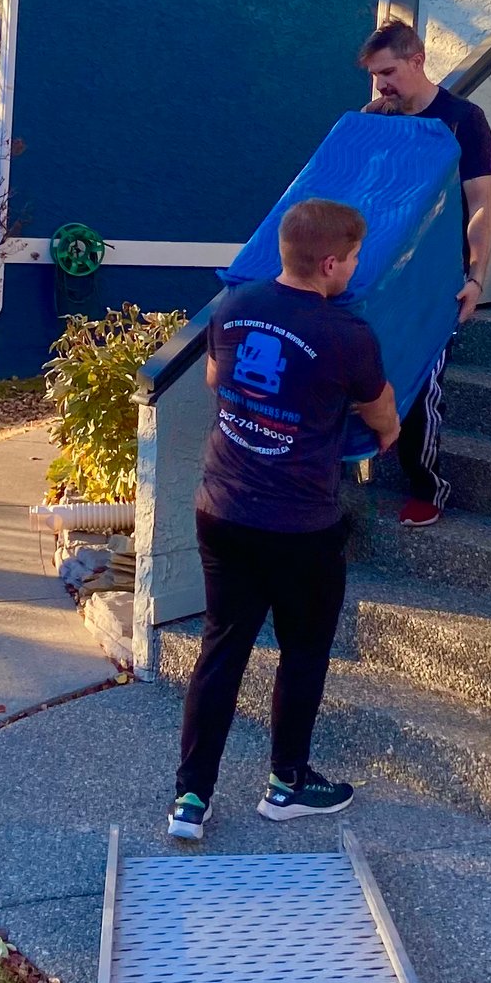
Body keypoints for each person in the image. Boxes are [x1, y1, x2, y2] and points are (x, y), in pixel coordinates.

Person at [167, 197, 400, 843]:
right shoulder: (347, 334)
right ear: (330, 262)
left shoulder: (234, 305)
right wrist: (383, 430)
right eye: (352, 258)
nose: (354, 268)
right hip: (299, 526)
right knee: (302, 652)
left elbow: (219, 378)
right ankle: (287, 784)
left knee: (222, 647)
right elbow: (381, 418)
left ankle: (191, 796)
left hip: (222, 509)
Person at [358, 17, 491, 528]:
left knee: (421, 381)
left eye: (388, 71)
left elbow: (480, 202)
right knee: (363, 372)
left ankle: (427, 487)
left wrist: (477, 276)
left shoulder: (463, 119)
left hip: (437, 280)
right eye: (375, 75)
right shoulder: (376, 116)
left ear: (417, 61)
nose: (381, 85)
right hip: (377, 276)